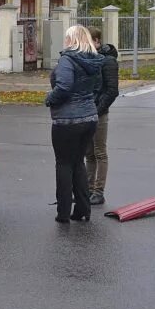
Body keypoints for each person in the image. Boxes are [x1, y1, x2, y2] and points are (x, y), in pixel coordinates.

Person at [45, 25, 104, 223]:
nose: (65, 41)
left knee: (63, 164)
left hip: (66, 120)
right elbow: (97, 88)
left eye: (67, 38)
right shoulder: (94, 60)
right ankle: (82, 210)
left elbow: (64, 87)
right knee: (78, 162)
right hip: (89, 118)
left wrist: (49, 98)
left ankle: (63, 213)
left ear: (72, 39)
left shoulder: (67, 59)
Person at [85, 27, 119, 206]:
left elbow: (112, 90)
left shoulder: (108, 61)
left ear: (97, 41)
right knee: (88, 153)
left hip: (99, 113)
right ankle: (88, 190)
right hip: (87, 111)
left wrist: (98, 109)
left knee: (99, 152)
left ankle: (99, 191)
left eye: (88, 42)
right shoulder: (90, 59)